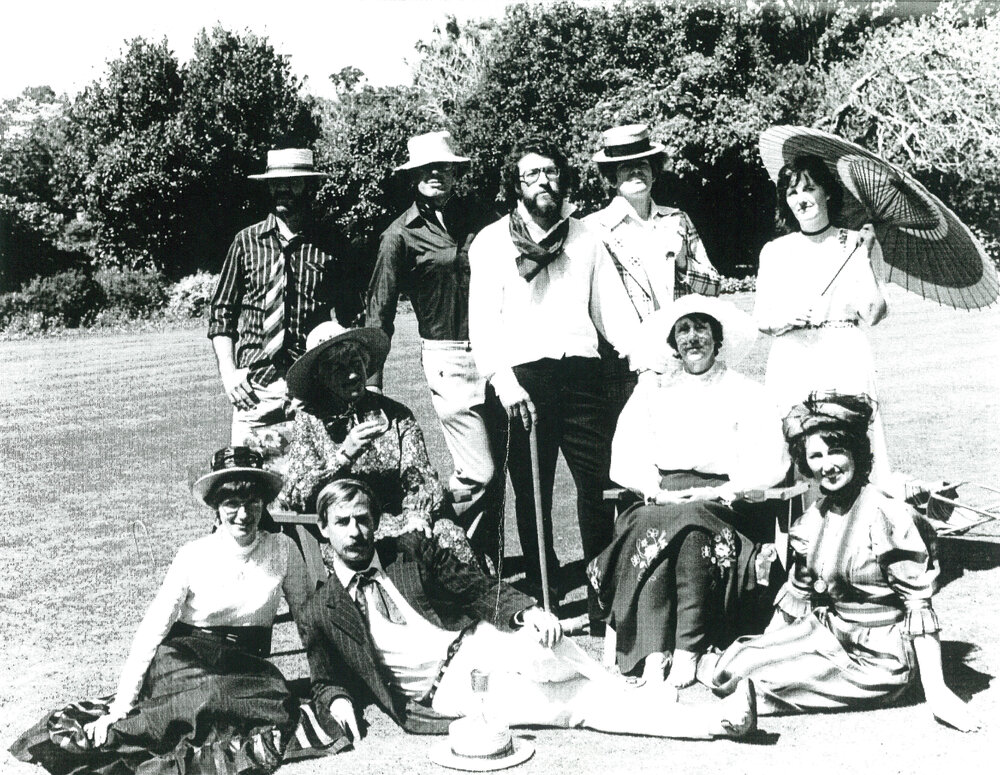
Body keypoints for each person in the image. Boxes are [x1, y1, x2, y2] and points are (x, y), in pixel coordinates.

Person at [297, 477, 760, 742]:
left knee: (548, 649)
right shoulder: (320, 609)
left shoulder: (409, 551)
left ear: (376, 522)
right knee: (573, 705)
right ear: (323, 530)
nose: (356, 531)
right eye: (343, 523)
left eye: (363, 520)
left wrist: (526, 614)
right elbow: (325, 677)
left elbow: (477, 588)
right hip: (450, 691)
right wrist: (336, 699)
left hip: (479, 641)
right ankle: (716, 722)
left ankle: (631, 692)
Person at [10, 447, 313, 775]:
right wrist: (122, 705)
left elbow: (310, 618)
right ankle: (114, 734)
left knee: (272, 702)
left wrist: (331, 687)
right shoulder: (194, 555)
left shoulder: (283, 549)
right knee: (209, 696)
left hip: (245, 665)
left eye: (253, 501)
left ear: (264, 502)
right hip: (182, 658)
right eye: (231, 504)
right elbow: (152, 628)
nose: (244, 514)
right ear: (215, 507)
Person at [705, 393, 980, 733]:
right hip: (830, 632)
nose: (827, 464)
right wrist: (766, 647)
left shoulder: (887, 514)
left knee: (773, 682)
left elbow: (918, 605)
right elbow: (797, 596)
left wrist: (938, 693)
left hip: (880, 655)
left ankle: (746, 707)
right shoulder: (812, 520)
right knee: (735, 664)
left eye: (836, 451)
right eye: (816, 456)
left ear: (855, 454)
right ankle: (746, 686)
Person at [468, 137, 642, 617]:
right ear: (515, 187)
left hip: (583, 378)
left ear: (563, 179)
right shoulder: (490, 241)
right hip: (521, 383)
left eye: (551, 172)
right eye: (531, 175)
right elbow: (482, 323)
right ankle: (544, 603)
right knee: (532, 495)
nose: (543, 181)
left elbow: (614, 314)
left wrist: (646, 359)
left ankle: (602, 599)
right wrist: (504, 383)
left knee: (598, 488)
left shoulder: (585, 236)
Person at [588, 295, 790, 688]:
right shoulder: (653, 391)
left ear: (718, 340)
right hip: (660, 498)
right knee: (650, 525)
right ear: (673, 343)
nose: (693, 338)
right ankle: (652, 650)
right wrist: (655, 491)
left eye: (702, 329)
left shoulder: (745, 392)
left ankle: (686, 648)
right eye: (684, 330)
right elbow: (628, 453)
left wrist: (728, 490)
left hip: (721, 503)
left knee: (694, 529)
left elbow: (767, 458)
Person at [367, 131, 505, 565]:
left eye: (443, 168)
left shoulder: (480, 219)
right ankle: (441, 542)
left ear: (454, 173)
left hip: (499, 352)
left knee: (499, 471)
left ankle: (487, 566)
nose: (436, 175)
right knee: (477, 472)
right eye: (427, 169)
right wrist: (371, 385)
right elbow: (379, 311)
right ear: (413, 177)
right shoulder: (399, 236)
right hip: (449, 357)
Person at [279, 320, 475, 565]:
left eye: (355, 363)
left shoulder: (395, 414)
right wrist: (342, 456)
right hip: (349, 533)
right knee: (412, 551)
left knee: (448, 536)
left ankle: (497, 603)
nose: (351, 374)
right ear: (321, 375)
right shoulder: (309, 421)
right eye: (339, 368)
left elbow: (420, 476)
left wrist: (418, 515)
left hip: (405, 519)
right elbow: (294, 494)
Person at [209, 147, 366, 446]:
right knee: (252, 484)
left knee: (317, 481)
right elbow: (221, 313)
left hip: (312, 390)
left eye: (292, 181)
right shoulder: (246, 242)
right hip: (254, 391)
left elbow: (352, 317)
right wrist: (229, 374)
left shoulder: (331, 244)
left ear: (309, 185)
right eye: (275, 182)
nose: (282, 188)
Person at [754, 153, 890, 482]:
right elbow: (762, 317)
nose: (801, 199)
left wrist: (867, 257)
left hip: (843, 353)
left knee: (847, 442)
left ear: (826, 192)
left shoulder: (854, 243)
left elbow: (873, 313)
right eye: (792, 192)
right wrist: (788, 317)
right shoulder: (775, 251)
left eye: (809, 189)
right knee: (798, 442)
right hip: (793, 358)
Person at [584, 123, 721, 415]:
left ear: (654, 171)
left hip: (684, 354)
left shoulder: (677, 220)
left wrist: (684, 262)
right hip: (625, 366)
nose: (636, 172)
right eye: (625, 167)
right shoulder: (593, 230)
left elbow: (714, 287)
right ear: (611, 177)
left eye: (643, 164)